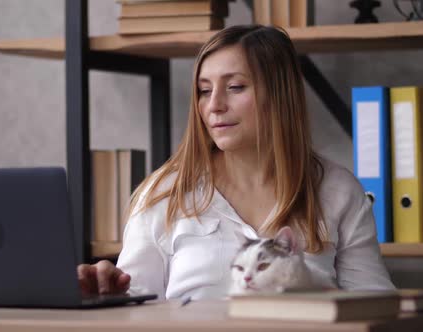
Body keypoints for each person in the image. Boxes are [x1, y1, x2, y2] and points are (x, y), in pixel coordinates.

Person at [77, 24, 395, 300]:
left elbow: (378, 307)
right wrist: (105, 288)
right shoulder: (165, 193)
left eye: (235, 87)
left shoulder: (339, 190)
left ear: (279, 95)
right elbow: (133, 306)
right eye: (204, 90)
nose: (214, 105)